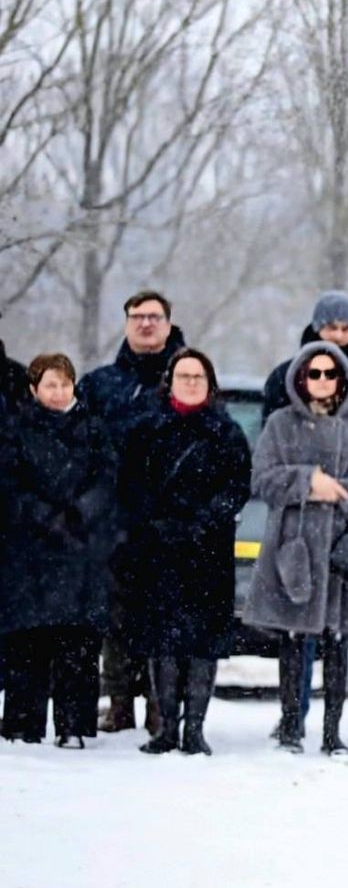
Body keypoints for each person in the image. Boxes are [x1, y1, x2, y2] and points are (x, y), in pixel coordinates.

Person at [262, 290, 348, 743]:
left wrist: (341, 492)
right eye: (314, 372)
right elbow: (263, 472)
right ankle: (291, 720)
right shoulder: (281, 412)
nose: (323, 377)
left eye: (331, 373)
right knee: (295, 635)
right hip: (297, 541)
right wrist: (307, 482)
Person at [116, 349, 251, 755]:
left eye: (198, 376)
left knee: (203, 641)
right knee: (163, 639)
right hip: (159, 550)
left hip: (208, 551)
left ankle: (195, 728)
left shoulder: (226, 433)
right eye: (183, 375)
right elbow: (130, 485)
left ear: (210, 384)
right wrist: (158, 522)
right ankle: (167, 729)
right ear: (169, 381)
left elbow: (238, 486)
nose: (191, 383)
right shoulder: (146, 430)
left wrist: (204, 520)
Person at [79, 291, 186, 736]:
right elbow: (81, 446)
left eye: (154, 317)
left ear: (168, 323)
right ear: (125, 324)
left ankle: (161, 706)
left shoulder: (188, 377)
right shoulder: (101, 384)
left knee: (164, 614)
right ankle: (119, 702)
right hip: (113, 520)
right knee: (116, 617)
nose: (146, 324)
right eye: (137, 316)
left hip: (169, 519)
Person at [0, 354, 117, 748]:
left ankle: (74, 725)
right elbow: (9, 484)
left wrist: (79, 513)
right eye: (50, 384)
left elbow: (107, 479)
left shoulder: (93, 430)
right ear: (34, 388)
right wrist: (44, 516)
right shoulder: (15, 429)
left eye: (65, 384)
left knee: (77, 645)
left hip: (82, 552)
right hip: (29, 552)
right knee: (27, 644)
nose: (58, 391)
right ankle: (22, 725)